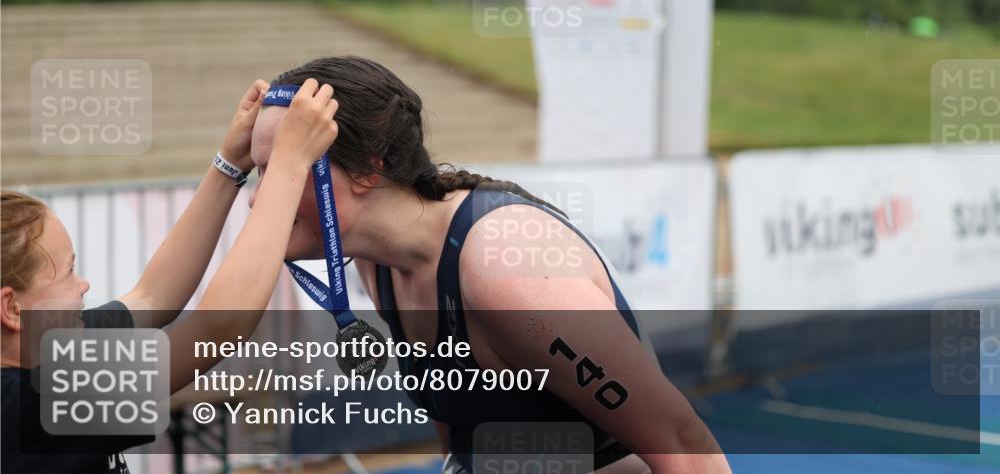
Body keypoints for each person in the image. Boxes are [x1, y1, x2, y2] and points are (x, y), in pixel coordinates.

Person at [252, 56, 732, 474]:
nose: (259, 199)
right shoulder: (379, 264)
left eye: (287, 168)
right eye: (259, 173)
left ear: (367, 169)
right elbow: (458, 428)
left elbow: (683, 443)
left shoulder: (503, 268)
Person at [1, 79, 339, 474]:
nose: (84, 284)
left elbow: (151, 298)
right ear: (12, 308)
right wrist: (288, 164)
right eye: (68, 272)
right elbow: (217, 328)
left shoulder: (44, 348)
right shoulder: (27, 404)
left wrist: (229, 163)